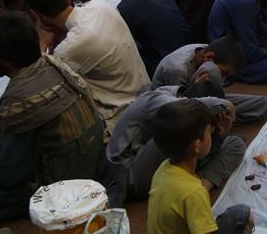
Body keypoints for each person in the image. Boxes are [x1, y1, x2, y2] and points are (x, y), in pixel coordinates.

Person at [0, 12, 104, 225]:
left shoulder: (20, 99)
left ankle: (37, 209)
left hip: (64, 188)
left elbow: (10, 177)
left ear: (5, 58)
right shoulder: (50, 63)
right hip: (93, 162)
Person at [146, 99, 255, 234]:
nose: (212, 133)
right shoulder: (193, 192)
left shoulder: (164, 169)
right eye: (208, 132)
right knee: (243, 216)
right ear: (197, 145)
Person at [24, 0, 150, 137]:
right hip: (145, 92)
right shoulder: (101, 5)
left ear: (37, 15)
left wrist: (41, 43)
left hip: (121, 119)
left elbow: (37, 86)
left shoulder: (68, 49)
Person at [104, 82, 246, 207]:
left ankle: (202, 185)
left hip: (172, 159)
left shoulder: (188, 107)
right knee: (174, 130)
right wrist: (227, 106)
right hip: (130, 173)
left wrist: (221, 134)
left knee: (235, 143)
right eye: (210, 127)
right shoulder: (160, 101)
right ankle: (190, 191)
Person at [151, 40, 267, 124]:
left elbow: (216, 95)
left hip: (204, 99)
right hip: (178, 107)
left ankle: (216, 120)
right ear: (209, 57)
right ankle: (216, 122)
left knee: (262, 103)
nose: (223, 79)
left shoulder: (206, 50)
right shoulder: (178, 70)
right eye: (223, 73)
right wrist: (194, 89)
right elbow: (178, 109)